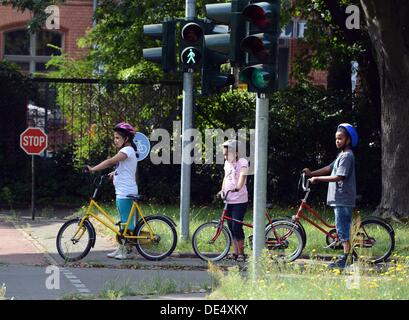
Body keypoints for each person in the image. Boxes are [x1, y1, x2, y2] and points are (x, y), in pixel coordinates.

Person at [303, 123, 358, 269]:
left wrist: (317, 179)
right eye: (336, 139)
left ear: (348, 140)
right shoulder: (341, 155)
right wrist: (311, 173)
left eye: (340, 138)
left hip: (343, 197)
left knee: (342, 227)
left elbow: (339, 176)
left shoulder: (347, 156)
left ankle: (346, 258)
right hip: (339, 198)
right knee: (341, 226)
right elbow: (329, 168)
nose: (337, 141)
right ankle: (349, 255)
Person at [87, 122, 138, 260]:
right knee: (123, 221)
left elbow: (110, 161)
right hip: (123, 191)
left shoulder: (126, 151)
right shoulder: (128, 151)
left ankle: (125, 250)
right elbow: (124, 168)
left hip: (125, 192)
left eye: (117, 138)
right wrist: (113, 173)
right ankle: (121, 248)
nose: (115, 140)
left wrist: (93, 169)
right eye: (114, 138)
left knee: (126, 221)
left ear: (126, 138)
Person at [219, 139, 249, 262]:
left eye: (227, 154)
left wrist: (237, 187)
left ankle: (242, 253)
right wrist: (222, 190)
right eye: (224, 154)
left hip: (240, 200)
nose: (225, 157)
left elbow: (242, 176)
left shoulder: (243, 162)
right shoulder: (227, 164)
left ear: (236, 153)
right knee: (230, 226)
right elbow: (225, 178)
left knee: (237, 226)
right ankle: (235, 252)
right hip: (228, 199)